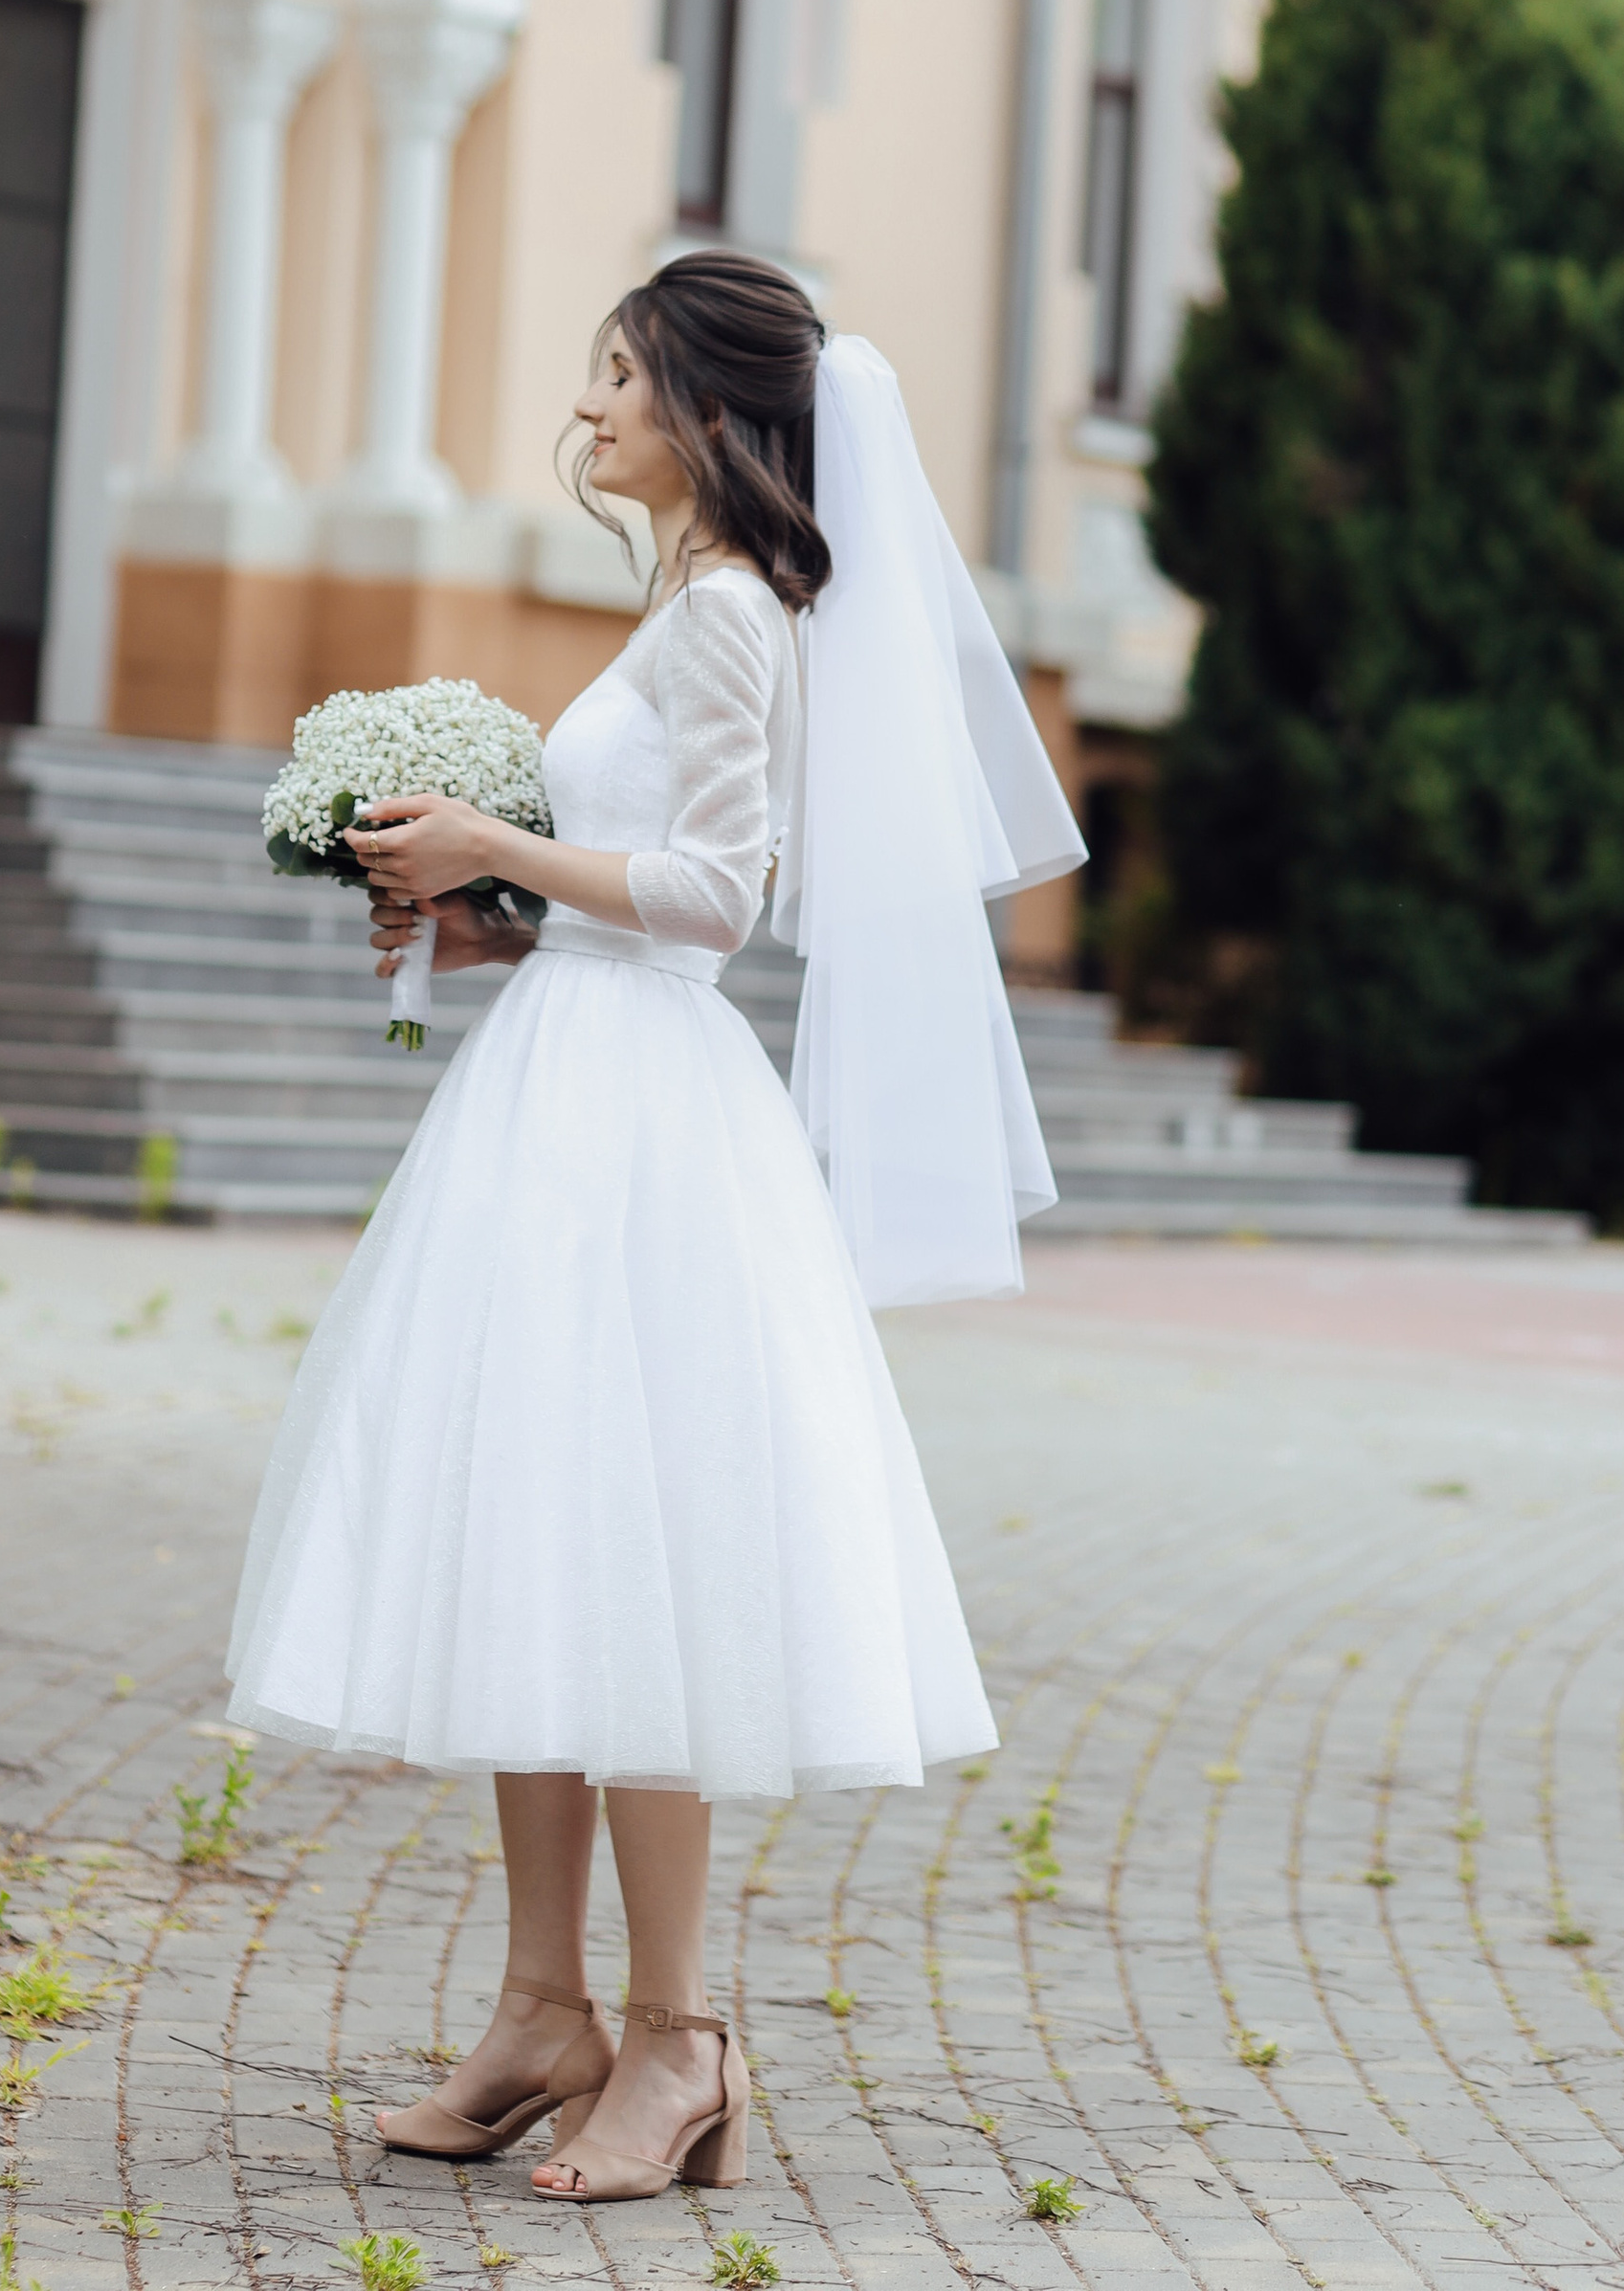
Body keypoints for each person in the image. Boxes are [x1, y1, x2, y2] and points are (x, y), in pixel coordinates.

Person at [222, 247, 1083, 2204]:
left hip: (643, 1129)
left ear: (708, 412)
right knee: (539, 1538)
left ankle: (679, 2034)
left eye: (621, 376)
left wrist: (494, 842)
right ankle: (543, 2009)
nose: (588, 405)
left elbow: (715, 897)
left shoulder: (732, 618)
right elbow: (624, 893)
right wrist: (474, 908)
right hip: (560, 1093)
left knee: (633, 1566)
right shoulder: (674, 608)